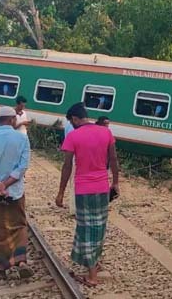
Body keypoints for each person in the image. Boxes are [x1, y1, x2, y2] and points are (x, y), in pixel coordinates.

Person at [55, 103, 120, 287]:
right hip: (102, 188)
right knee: (98, 227)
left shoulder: (73, 136)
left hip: (83, 190)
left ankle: (92, 275)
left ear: (75, 119)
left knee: (86, 228)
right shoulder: (105, 132)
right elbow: (114, 159)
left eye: (71, 121)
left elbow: (67, 166)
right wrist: (115, 182)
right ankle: (94, 262)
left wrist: (60, 192)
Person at [0, 106, 33, 279]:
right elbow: (23, 166)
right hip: (15, 191)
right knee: (19, 225)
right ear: (11, 120)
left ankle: (1, 268)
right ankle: (21, 261)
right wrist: (7, 183)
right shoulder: (22, 139)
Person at [63, 119, 76, 215]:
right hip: (76, 156)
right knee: (75, 183)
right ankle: (74, 209)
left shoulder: (67, 124)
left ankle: (73, 208)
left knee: (73, 182)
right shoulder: (75, 129)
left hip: (70, 154)